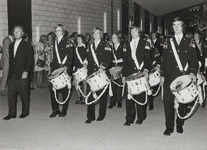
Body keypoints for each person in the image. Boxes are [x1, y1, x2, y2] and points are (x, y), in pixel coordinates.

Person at [160, 17, 198, 135]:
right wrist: (162, 75)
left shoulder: (189, 41)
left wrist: (192, 72)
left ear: (183, 26)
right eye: (174, 25)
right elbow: (164, 60)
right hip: (169, 76)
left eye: (178, 25)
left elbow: (194, 59)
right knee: (168, 102)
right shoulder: (167, 41)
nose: (176, 27)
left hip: (183, 76)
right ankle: (169, 126)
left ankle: (180, 124)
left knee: (182, 102)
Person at [122, 24, 152, 126]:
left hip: (141, 72)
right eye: (131, 31)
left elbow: (148, 59)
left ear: (138, 32)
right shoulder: (126, 44)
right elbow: (125, 61)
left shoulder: (145, 43)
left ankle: (141, 116)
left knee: (140, 96)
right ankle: (129, 118)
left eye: (135, 31)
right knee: (129, 96)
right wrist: (123, 75)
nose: (133, 33)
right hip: (130, 73)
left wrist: (146, 70)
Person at [3, 26, 34, 120]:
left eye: (18, 31)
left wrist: (26, 72)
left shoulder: (27, 45)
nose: (16, 33)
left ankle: (25, 112)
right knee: (11, 95)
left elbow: (30, 60)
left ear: (22, 33)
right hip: (12, 74)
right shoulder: (11, 45)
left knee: (24, 94)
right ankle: (11, 113)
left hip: (22, 73)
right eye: (15, 32)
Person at [85, 27, 112, 123]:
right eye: (94, 33)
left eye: (97, 33)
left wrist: (103, 67)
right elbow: (88, 58)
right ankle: (90, 116)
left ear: (101, 34)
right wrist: (85, 64)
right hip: (92, 73)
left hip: (102, 72)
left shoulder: (106, 44)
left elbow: (108, 58)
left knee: (102, 95)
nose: (95, 35)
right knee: (90, 93)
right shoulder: (89, 46)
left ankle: (101, 114)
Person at [48, 24, 73, 118]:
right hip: (55, 68)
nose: (56, 32)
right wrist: (52, 69)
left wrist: (66, 67)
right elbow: (54, 56)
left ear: (63, 31)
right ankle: (55, 109)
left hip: (64, 68)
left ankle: (64, 110)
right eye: (56, 30)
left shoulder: (68, 41)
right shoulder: (54, 41)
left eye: (58, 30)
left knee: (64, 90)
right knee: (52, 88)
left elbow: (70, 56)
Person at [108, 31, 124, 109]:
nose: (112, 39)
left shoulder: (122, 46)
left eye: (114, 37)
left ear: (118, 38)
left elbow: (125, 57)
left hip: (120, 67)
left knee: (119, 85)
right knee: (112, 85)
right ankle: (112, 102)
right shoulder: (110, 47)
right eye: (112, 38)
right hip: (112, 67)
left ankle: (119, 101)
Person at [147, 32, 162, 110]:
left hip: (152, 69)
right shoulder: (143, 50)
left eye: (149, 42)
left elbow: (158, 59)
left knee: (152, 87)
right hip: (145, 70)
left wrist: (157, 65)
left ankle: (151, 103)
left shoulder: (155, 49)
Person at [73, 34, 87, 104]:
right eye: (77, 39)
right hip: (77, 66)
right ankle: (79, 97)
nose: (78, 40)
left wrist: (86, 63)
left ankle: (84, 97)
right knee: (77, 83)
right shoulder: (75, 48)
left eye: (79, 39)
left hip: (83, 67)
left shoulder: (86, 47)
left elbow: (88, 56)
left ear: (82, 40)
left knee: (84, 83)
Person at [0, 30, 14, 96]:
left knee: (8, 75)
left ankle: (6, 89)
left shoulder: (10, 40)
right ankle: (2, 90)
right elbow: (6, 53)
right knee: (5, 76)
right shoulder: (6, 40)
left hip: (8, 60)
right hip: (6, 61)